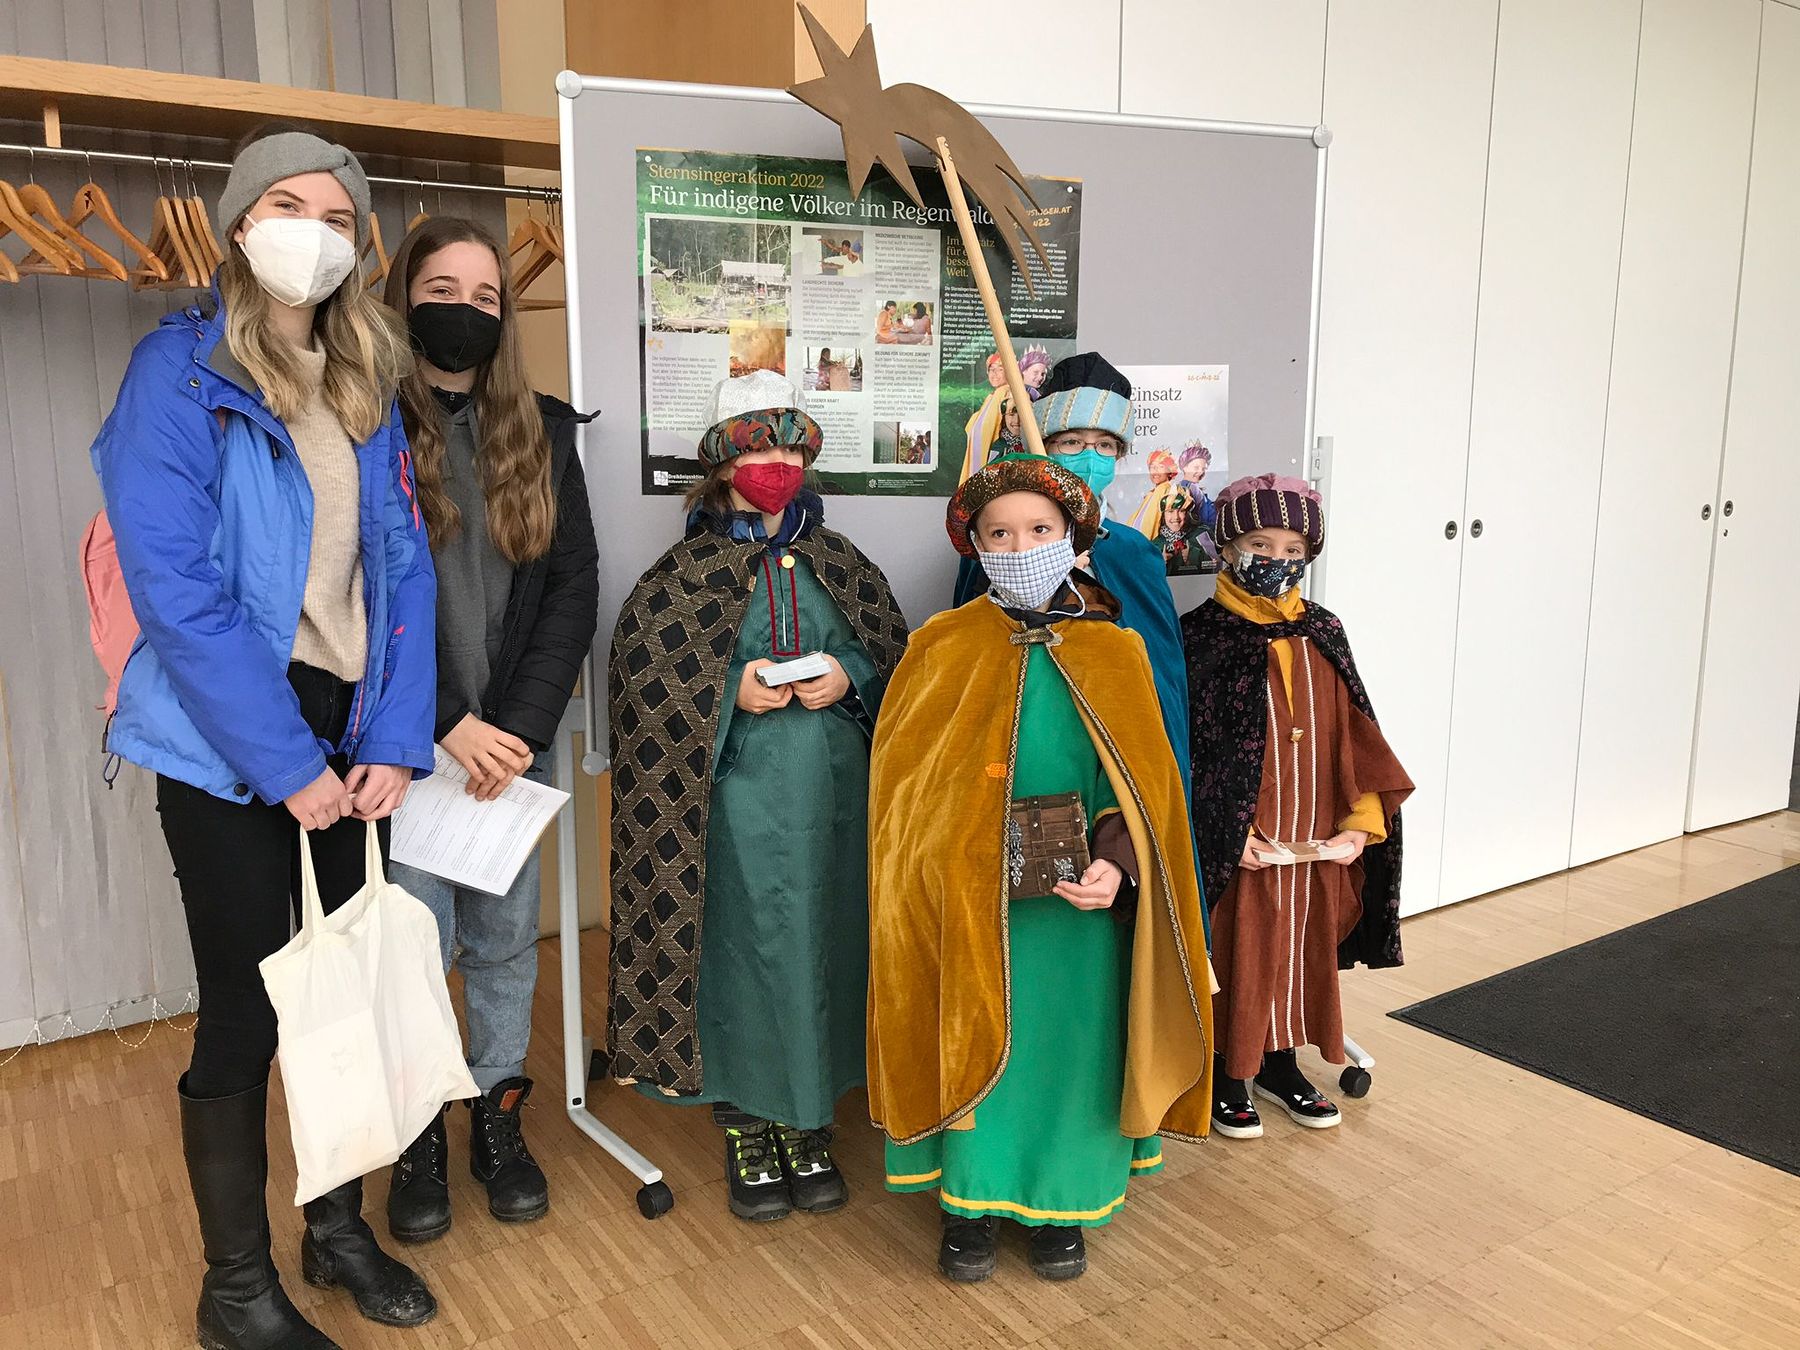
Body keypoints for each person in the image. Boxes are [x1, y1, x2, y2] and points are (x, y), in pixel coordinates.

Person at [91, 126, 438, 1349]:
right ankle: (235, 1289)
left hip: (349, 715)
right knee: (247, 1002)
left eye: (339, 217)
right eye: (287, 207)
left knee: (341, 990)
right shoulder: (177, 372)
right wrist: (287, 765)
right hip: (224, 732)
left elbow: (403, 568)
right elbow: (175, 590)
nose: (314, 233)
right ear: (239, 224)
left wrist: (393, 734)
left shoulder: (364, 375)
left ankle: (334, 1229)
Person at [869, 454, 1213, 1283]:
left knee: (1073, 1049)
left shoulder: (1116, 651)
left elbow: (1139, 788)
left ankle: (1065, 1204)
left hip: (1074, 909)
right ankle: (971, 1206)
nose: (1019, 546)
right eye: (999, 534)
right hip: (970, 899)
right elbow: (903, 791)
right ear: (975, 546)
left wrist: (1116, 863)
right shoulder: (940, 647)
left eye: (1038, 529)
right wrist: (949, 849)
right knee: (976, 1032)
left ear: (1073, 538)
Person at [606, 371, 909, 1223]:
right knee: (744, 954)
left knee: (825, 946)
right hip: (730, 805)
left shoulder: (842, 562)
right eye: (758, 448)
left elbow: (893, 657)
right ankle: (746, 1119)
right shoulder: (680, 575)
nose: (778, 464)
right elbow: (642, 678)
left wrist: (846, 672)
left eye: (791, 448)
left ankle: (810, 1119)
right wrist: (726, 690)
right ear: (721, 465)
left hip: (837, 802)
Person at [378, 217, 599, 1243]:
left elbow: (571, 587)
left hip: (510, 748)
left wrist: (516, 728)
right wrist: (443, 725)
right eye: (442, 289)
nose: (464, 310)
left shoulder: (543, 432)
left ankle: (496, 1116)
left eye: (484, 295)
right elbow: (350, 592)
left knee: (507, 941)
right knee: (415, 948)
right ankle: (419, 1130)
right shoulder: (365, 423)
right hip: (405, 747)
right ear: (402, 297)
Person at [1180, 475, 1412, 1140]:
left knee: (1298, 951)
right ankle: (1228, 1072)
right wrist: (1224, 832)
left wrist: (1361, 824)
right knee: (1241, 951)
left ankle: (1281, 1066)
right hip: (1244, 841)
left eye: (1292, 547)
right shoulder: (1197, 637)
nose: (1276, 559)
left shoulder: (1323, 630)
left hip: (1314, 838)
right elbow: (1184, 750)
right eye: (1259, 543)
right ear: (1226, 546)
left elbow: (1357, 734)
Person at [952, 354, 1195, 867]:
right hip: (1038, 753)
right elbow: (974, 667)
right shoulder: (1000, 546)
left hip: (1119, 758)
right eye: (1072, 442)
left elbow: (1163, 680)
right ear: (1043, 444)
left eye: (1105, 445)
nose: (1091, 456)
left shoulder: (1133, 552)